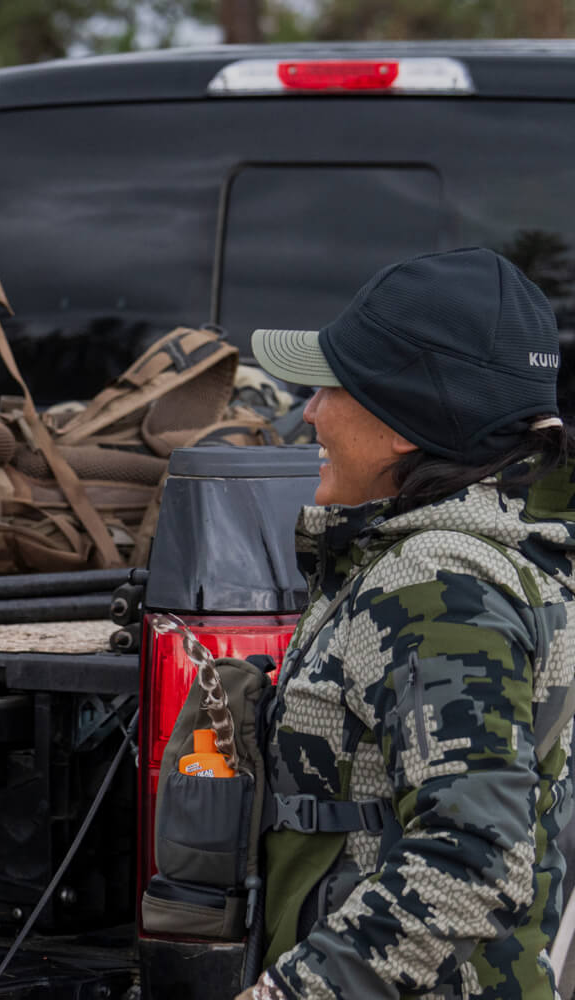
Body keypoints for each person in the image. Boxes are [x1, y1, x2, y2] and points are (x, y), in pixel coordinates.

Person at [241, 247, 575, 999]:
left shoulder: (438, 582)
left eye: (332, 388)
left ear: (402, 421)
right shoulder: (500, 550)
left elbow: (473, 863)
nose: (310, 413)